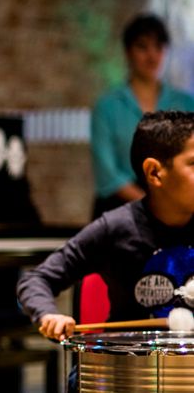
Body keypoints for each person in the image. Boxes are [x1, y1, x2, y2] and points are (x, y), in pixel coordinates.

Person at [18, 110, 194, 343]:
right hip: (129, 371)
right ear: (154, 172)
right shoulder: (116, 228)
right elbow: (37, 279)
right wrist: (49, 315)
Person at [91, 14, 194, 217]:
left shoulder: (184, 103)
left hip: (175, 210)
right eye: (142, 47)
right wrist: (154, 203)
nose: (151, 56)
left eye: (158, 47)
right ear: (128, 52)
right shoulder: (107, 106)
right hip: (119, 210)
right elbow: (107, 174)